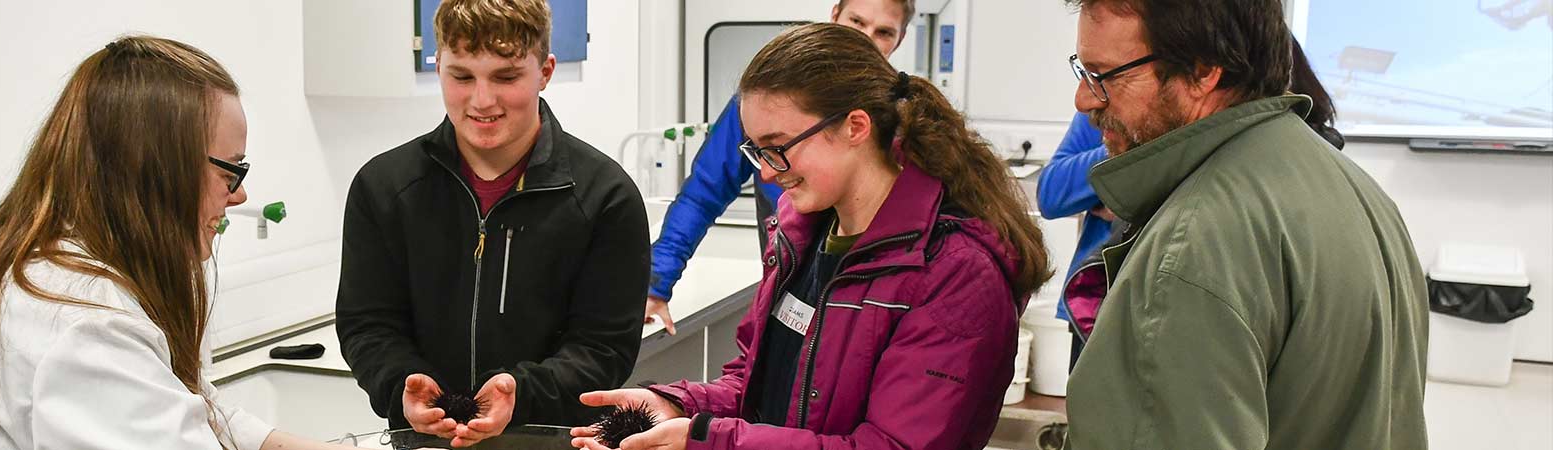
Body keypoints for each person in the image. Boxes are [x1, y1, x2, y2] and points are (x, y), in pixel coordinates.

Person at [572, 23, 1053, 449]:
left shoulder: (955, 273)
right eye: (756, 151)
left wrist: (706, 440)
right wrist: (677, 406)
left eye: (778, 149)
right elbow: (753, 387)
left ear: (855, 127)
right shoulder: (800, 236)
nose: (763, 174)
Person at [0, 36, 353, 450]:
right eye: (230, 171)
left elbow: (197, 407)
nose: (240, 194)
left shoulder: (62, 273)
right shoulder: (82, 324)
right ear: (157, 169)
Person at [1061, 0, 1428, 448]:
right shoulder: (1357, 190)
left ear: (1202, 72)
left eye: (1105, 75)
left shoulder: (1195, 239)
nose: (1084, 99)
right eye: (1083, 71)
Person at [335, 0, 650, 447]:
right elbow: (367, 324)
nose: (482, 101)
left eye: (506, 77)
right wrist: (401, 385)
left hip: (551, 439)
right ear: (438, 65)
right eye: (461, 76)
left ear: (545, 71)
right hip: (424, 441)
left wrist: (518, 396)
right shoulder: (384, 187)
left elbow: (603, 348)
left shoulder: (604, 196)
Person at [1037, 35, 1344, 368]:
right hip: (1097, 301)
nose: (1086, 98)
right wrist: (1129, 146)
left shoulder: (1289, 157)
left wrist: (1140, 184)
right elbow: (1051, 194)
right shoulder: (1104, 99)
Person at [644, 0, 917, 334]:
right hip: (789, 297)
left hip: (872, 311)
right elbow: (704, 192)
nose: (866, 37)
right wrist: (656, 284)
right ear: (835, 15)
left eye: (884, 32)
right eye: (857, 21)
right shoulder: (769, 105)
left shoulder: (904, 122)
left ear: (900, 39)